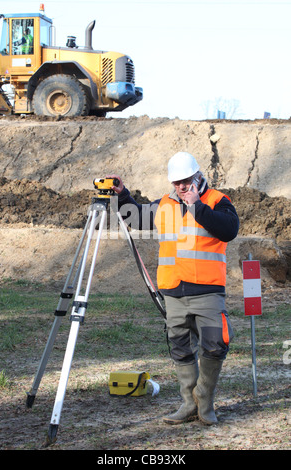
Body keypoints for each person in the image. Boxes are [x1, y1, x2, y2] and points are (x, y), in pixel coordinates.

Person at [107, 151, 239, 425]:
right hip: (174, 292)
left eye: (185, 180)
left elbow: (229, 230)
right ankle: (189, 403)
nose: (180, 186)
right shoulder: (165, 204)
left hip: (208, 292)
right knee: (180, 348)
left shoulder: (217, 201)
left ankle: (205, 399)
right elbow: (136, 218)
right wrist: (122, 195)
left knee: (215, 345)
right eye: (176, 182)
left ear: (198, 176)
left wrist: (197, 207)